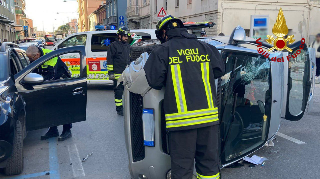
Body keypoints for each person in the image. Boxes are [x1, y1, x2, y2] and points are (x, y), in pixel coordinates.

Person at [144, 15, 225, 179]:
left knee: (182, 169)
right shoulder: (206, 48)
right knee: (209, 167)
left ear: (165, 33)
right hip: (208, 121)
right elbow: (219, 71)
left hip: (181, 123)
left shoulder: (162, 51)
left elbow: (155, 81)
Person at [26, 46, 73, 141]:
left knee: (63, 108)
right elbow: (33, 70)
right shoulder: (36, 57)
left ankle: (67, 131)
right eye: (29, 58)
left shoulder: (51, 56)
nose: (30, 60)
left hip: (61, 82)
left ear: (37, 55)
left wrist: (39, 83)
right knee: (50, 107)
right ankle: (53, 130)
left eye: (31, 58)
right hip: (48, 84)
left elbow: (52, 76)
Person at [107, 26, 131, 116]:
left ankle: (129, 108)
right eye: (124, 36)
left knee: (129, 91)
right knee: (118, 92)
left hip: (127, 73)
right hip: (117, 73)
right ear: (119, 36)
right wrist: (111, 73)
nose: (126, 38)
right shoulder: (113, 46)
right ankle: (119, 109)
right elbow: (109, 60)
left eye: (127, 36)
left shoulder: (128, 46)